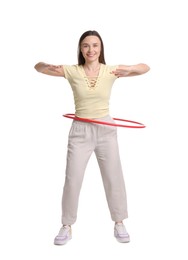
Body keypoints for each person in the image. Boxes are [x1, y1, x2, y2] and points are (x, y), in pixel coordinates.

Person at [34, 30, 150, 245]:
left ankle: (119, 221)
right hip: (80, 130)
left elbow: (145, 68)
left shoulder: (111, 70)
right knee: (73, 178)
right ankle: (66, 225)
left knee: (113, 176)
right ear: (80, 48)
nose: (91, 49)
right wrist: (46, 65)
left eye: (95, 45)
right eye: (86, 45)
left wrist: (131, 68)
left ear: (101, 48)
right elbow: (38, 67)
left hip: (106, 129)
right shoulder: (72, 71)